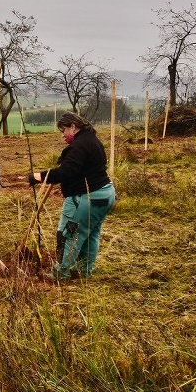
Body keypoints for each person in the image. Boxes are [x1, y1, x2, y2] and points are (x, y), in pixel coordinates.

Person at [28, 111, 116, 280]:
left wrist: (38, 176)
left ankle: (61, 273)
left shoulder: (79, 145)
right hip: (105, 194)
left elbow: (65, 172)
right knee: (90, 234)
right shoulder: (91, 140)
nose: (63, 135)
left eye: (63, 131)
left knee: (68, 234)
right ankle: (83, 271)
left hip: (87, 198)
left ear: (73, 127)